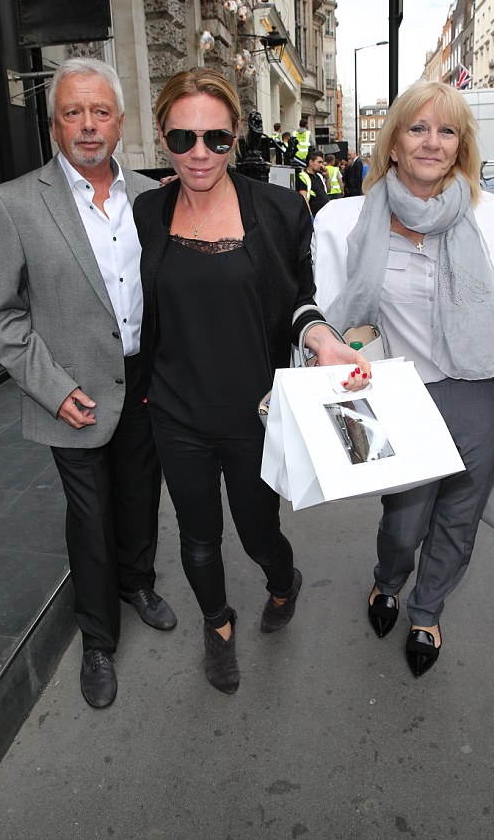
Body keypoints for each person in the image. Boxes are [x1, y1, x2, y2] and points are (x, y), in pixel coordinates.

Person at [133, 68, 370, 694]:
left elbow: (298, 301)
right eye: (182, 139)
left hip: (256, 415)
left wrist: (322, 339)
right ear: (162, 138)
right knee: (199, 541)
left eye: (215, 138)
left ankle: (282, 583)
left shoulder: (278, 209)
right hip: (176, 414)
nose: (199, 153)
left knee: (260, 532)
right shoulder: (147, 212)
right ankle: (218, 625)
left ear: (237, 136)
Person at [313, 80, 494, 677]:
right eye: (417, 128)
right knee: (404, 520)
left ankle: (427, 609)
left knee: (458, 519)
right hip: (399, 395)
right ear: (393, 144)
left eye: (446, 131)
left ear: (461, 145)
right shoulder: (347, 219)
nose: (432, 142)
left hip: (480, 392)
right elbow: (330, 312)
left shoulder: (482, 211)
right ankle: (388, 578)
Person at [0, 58, 177, 709]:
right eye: (73, 112)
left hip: (145, 375)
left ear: (120, 122)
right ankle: (97, 639)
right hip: (72, 390)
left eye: (100, 112)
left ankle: (137, 581)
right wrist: (51, 387)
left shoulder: (153, 196)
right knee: (90, 515)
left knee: (140, 494)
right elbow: (0, 316)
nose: (88, 125)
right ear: (54, 122)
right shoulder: (11, 204)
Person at [296, 149, 330, 217]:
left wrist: (327, 177)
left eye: (322, 163)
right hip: (315, 215)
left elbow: (328, 190)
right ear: (311, 162)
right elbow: (304, 198)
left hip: (324, 214)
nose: (321, 165)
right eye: (319, 162)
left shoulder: (319, 176)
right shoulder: (303, 176)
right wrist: (310, 216)